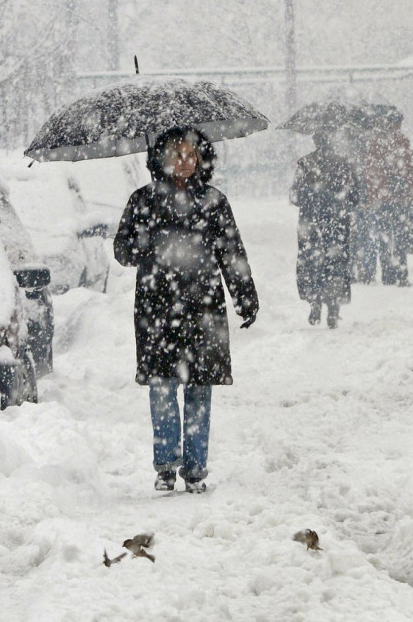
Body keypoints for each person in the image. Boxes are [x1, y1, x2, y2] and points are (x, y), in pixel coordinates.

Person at [113, 125, 259, 494]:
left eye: (192, 155)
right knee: (161, 387)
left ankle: (194, 469)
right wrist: (142, 238)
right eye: (178, 155)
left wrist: (245, 296)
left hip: (202, 309)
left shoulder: (213, 201)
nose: (186, 162)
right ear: (161, 158)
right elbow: (122, 252)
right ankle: (165, 465)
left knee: (199, 389)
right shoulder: (142, 201)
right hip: (157, 308)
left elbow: (232, 253)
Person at [290, 130, 360, 329]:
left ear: (315, 142)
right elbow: (355, 196)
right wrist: (338, 199)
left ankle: (315, 302)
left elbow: (295, 197)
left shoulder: (305, 164)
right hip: (337, 223)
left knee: (312, 263)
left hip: (310, 223)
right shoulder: (343, 164)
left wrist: (313, 198)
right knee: (336, 263)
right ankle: (333, 306)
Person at [352, 107, 413, 285]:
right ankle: (400, 275)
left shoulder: (377, 143)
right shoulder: (397, 142)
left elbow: (372, 172)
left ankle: (389, 274)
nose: (398, 127)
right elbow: (408, 169)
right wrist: (407, 187)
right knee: (398, 238)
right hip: (394, 199)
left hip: (384, 200)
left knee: (385, 238)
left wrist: (378, 192)